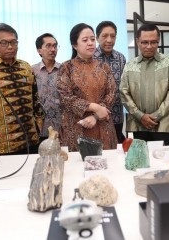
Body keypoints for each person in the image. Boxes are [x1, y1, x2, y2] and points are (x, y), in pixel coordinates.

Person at [0, 23, 45, 155]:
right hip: (0, 144)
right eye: (4, 43)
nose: (10, 47)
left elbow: (35, 100)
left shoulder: (26, 68)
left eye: (14, 42)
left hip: (30, 140)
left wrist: (39, 125)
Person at [57, 23, 117, 152]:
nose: (90, 43)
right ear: (74, 45)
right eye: (85, 40)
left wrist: (95, 116)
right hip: (77, 126)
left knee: (106, 167)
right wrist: (95, 107)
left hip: (102, 125)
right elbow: (66, 98)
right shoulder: (66, 68)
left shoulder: (104, 67)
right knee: (78, 167)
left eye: (92, 39)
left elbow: (111, 94)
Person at [120, 24, 169, 145]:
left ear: (159, 41)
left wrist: (157, 116)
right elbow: (123, 92)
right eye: (144, 42)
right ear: (137, 42)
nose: (149, 46)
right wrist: (140, 116)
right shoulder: (130, 65)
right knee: (142, 161)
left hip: (164, 125)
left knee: (164, 161)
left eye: (153, 42)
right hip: (138, 125)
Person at [93, 21, 127, 143]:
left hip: (117, 114)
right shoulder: (90, 57)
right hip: (95, 117)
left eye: (113, 36)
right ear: (97, 38)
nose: (109, 40)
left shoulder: (121, 58)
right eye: (105, 36)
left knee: (116, 150)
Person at [32, 33, 62, 141]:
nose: (53, 49)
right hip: (39, 128)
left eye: (55, 46)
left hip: (61, 127)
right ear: (39, 50)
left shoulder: (64, 70)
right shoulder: (32, 71)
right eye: (48, 46)